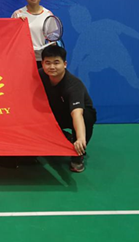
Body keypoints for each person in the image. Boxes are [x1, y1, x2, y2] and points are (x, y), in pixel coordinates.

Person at [39, 45, 97, 173]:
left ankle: (77, 155)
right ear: (42, 64)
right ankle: (64, 137)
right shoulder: (39, 75)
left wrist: (80, 138)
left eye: (56, 63)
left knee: (87, 117)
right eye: (48, 63)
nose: (52, 67)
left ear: (64, 64)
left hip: (74, 115)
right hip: (53, 113)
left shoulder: (73, 85)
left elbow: (77, 114)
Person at [11, 0, 54, 68]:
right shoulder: (18, 14)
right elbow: (11, 37)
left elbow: (52, 38)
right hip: (22, 57)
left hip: (42, 58)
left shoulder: (48, 14)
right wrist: (18, 24)